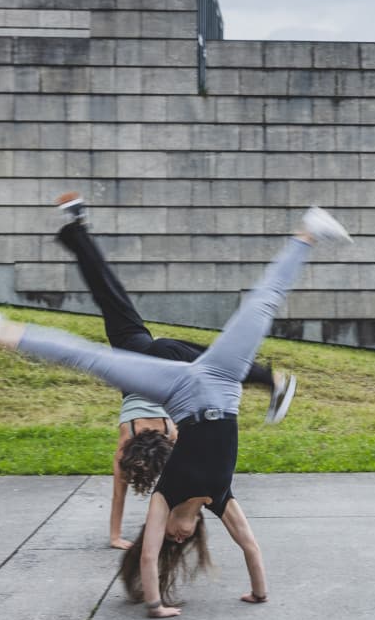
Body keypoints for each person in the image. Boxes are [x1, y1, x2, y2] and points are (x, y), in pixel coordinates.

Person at [0, 206, 351, 618]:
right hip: (225, 381)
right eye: (183, 539)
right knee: (261, 306)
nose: (176, 538)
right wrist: (259, 592)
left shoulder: (165, 496)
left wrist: (155, 604)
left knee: (95, 361)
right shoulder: (221, 500)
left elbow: (148, 555)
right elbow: (249, 545)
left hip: (178, 392)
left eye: (170, 542)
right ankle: (308, 233)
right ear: (196, 529)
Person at [52, 192, 295, 549]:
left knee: (212, 362)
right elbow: (127, 495)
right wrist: (117, 536)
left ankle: (78, 231)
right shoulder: (135, 439)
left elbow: (205, 444)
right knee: (113, 299)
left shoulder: (170, 436)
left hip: (149, 354)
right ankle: (78, 230)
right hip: (145, 355)